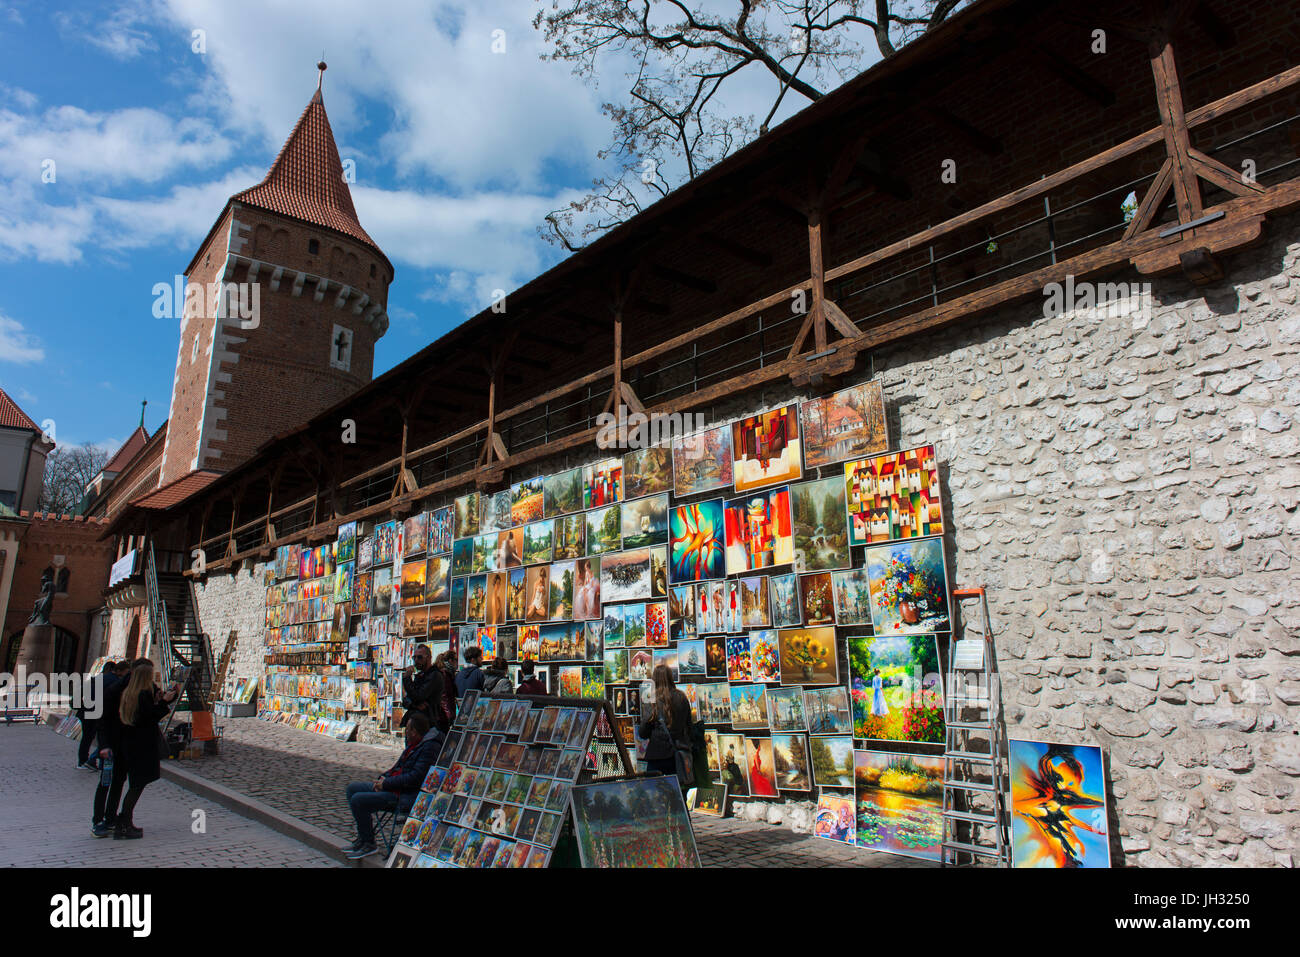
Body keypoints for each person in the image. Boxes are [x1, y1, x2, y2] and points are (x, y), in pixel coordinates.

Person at [345, 711, 441, 859]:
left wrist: (386, 784)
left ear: (414, 732)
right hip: (392, 786)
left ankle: (369, 843)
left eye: (408, 729)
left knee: (358, 800)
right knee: (352, 789)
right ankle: (363, 837)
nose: (405, 733)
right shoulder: (414, 745)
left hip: (404, 795)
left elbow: (414, 778)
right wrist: (383, 778)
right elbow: (398, 767)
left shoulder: (428, 748)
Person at [113, 659, 180, 839]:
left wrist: (160, 701)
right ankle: (124, 823)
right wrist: (164, 702)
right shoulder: (142, 695)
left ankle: (125, 822)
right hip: (141, 746)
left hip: (131, 744)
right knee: (136, 785)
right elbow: (150, 718)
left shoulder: (130, 693)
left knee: (136, 785)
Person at [90, 660, 132, 837]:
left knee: (118, 783)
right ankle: (98, 820)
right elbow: (102, 722)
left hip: (123, 748)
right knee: (106, 783)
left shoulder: (130, 696)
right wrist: (104, 745)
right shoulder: (112, 694)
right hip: (111, 747)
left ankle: (110, 817)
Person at [638, 664, 692, 785]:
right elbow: (689, 726)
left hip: (656, 756)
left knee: (654, 795)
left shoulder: (652, 700)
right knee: (677, 795)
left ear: (654, 679)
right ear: (670, 677)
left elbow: (643, 732)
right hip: (677, 755)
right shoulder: (681, 697)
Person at [400, 644, 445, 731]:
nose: (416, 660)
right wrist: (414, 705)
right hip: (415, 722)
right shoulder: (421, 675)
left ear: (428, 658)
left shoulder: (434, 675)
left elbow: (418, 696)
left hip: (427, 722)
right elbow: (406, 699)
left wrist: (407, 679)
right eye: (414, 657)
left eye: (420, 657)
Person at [433, 650, 458, 728]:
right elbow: (446, 695)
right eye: (456, 660)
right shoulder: (445, 674)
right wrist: (450, 714)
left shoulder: (440, 672)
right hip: (444, 714)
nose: (457, 662)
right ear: (451, 660)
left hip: (440, 713)